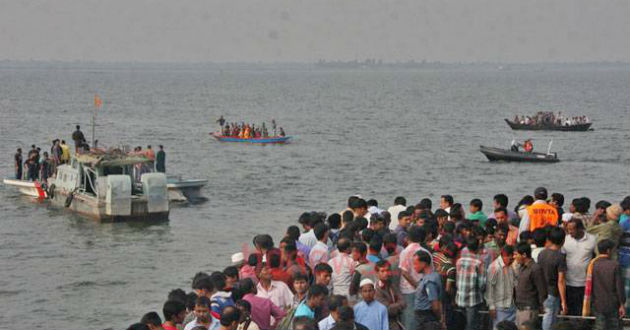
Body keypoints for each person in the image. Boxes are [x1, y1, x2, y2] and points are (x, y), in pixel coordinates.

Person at [398, 225, 432, 330]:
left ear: (409, 237)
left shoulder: (405, 252)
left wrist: (415, 285)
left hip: (408, 290)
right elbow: (430, 273)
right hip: (423, 290)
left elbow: (404, 272)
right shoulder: (426, 252)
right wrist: (419, 286)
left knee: (409, 319)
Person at [561, 218, 596, 316]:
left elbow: (595, 258)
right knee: (570, 311)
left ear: (580, 228)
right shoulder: (566, 240)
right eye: (568, 229)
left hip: (585, 283)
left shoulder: (592, 239)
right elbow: (562, 258)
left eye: (572, 229)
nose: (569, 232)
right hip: (568, 282)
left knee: (583, 311)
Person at [589, 239, 626, 330]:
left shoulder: (592, 265)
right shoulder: (615, 265)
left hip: (597, 304)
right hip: (613, 304)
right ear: (608, 251)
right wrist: (622, 304)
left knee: (599, 326)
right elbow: (619, 287)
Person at [537, 227, 567, 330]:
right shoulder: (560, 257)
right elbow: (561, 281)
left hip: (542, 291)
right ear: (563, 240)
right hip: (553, 292)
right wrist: (563, 301)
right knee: (550, 319)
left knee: (547, 317)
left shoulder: (542, 254)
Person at [455, 236, 486, 330]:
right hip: (473, 299)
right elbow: (482, 284)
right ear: (477, 248)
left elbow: (457, 278)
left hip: (460, 297)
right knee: (472, 325)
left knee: (463, 324)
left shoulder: (459, 261)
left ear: (467, 248)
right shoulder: (479, 262)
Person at [514, 242, 547, 330]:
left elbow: (542, 290)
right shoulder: (521, 268)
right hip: (520, 309)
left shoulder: (535, 269)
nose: (514, 257)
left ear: (524, 255)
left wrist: (541, 306)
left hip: (529, 310)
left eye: (516, 254)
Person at [485, 245, 517, 330]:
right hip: (499, 308)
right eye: (510, 259)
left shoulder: (511, 265)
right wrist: (491, 307)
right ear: (505, 256)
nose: (512, 261)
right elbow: (489, 289)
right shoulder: (494, 267)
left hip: (511, 306)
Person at [413, 250, 442, 330]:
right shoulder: (429, 277)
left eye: (415, 264)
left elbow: (435, 305)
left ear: (423, 263)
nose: (414, 266)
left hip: (427, 320)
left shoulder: (430, 281)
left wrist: (439, 319)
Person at [374, 260, 406, 330]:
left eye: (387, 270)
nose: (386, 273)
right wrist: (398, 304)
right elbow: (387, 310)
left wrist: (394, 306)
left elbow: (404, 302)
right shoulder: (377, 289)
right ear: (377, 273)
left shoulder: (392, 285)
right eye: (382, 271)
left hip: (395, 322)